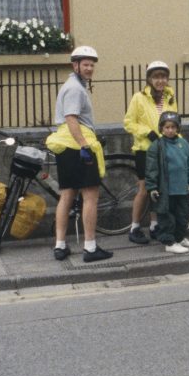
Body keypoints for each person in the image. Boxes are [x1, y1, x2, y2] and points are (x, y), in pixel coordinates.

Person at [47, 46, 112, 262]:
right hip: (77, 146)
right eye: (85, 64)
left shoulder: (73, 85)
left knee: (67, 195)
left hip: (66, 146)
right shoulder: (75, 88)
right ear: (75, 65)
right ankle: (90, 248)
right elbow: (71, 118)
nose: (89, 68)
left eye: (92, 65)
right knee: (90, 196)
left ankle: (60, 245)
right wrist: (84, 146)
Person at [123, 60, 177, 244]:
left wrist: (179, 144)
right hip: (145, 150)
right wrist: (148, 133)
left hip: (165, 148)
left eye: (163, 77)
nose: (160, 80)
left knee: (159, 189)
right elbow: (129, 123)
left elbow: (174, 124)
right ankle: (135, 227)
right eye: (156, 77)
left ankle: (154, 226)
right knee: (145, 189)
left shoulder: (170, 97)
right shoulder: (139, 97)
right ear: (149, 79)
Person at [145, 112, 189, 254]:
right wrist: (152, 187)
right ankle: (169, 242)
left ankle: (179, 239)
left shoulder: (184, 144)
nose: (170, 130)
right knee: (166, 217)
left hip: (182, 189)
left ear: (178, 128)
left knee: (183, 215)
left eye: (173, 127)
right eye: (167, 127)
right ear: (161, 128)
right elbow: (151, 169)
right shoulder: (156, 146)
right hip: (166, 190)